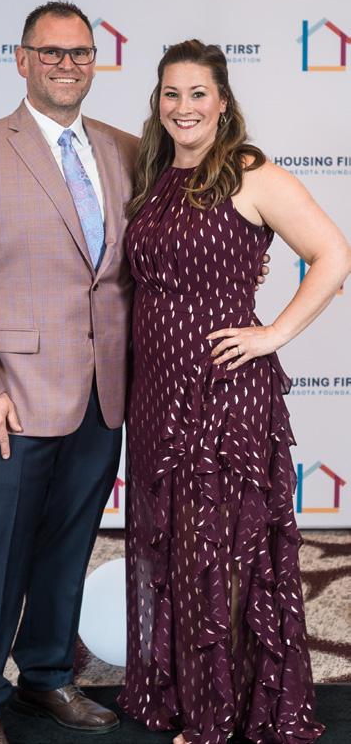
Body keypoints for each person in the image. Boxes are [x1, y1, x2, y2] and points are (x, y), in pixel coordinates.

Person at [118, 40, 351, 744]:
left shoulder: (249, 173)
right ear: (158, 102)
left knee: (221, 549)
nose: (183, 106)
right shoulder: (155, 172)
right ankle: (183, 694)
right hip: (155, 392)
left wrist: (273, 332)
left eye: (198, 93)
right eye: (171, 93)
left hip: (223, 391)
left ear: (223, 102)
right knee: (172, 547)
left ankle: (223, 711)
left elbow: (332, 254)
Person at [0, 1, 139, 744]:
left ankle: (46, 676)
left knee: (69, 547)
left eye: (80, 53)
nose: (66, 65)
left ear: (94, 62)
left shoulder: (125, 149)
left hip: (103, 393)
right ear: (22, 60)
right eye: (51, 52)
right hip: (11, 399)